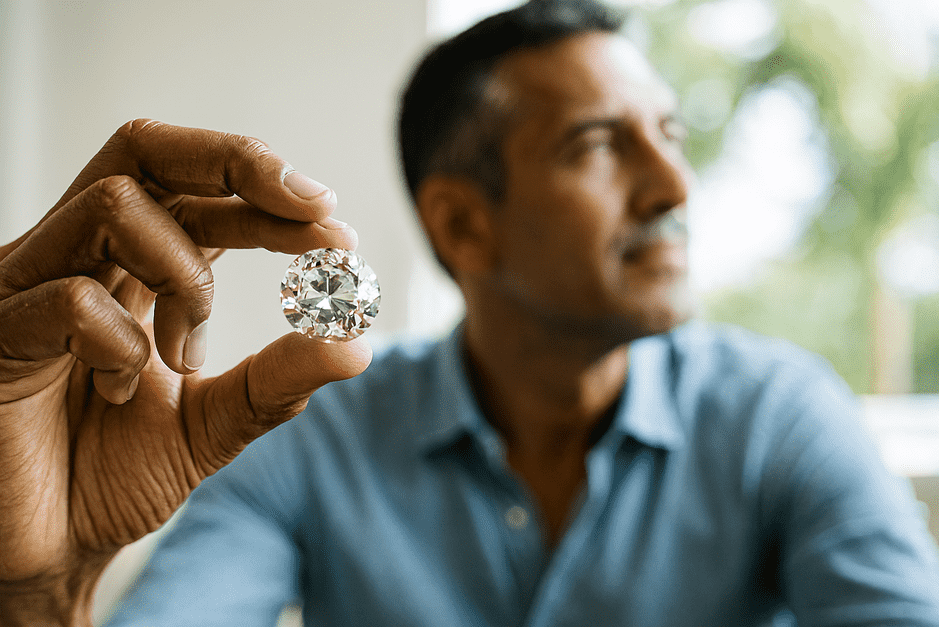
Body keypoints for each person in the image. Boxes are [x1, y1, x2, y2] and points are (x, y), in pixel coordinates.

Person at [1, 1, 938, 625]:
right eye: (598, 144)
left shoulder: (780, 417)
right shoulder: (308, 440)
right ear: (462, 224)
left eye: (670, 133)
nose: (673, 185)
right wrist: (47, 585)